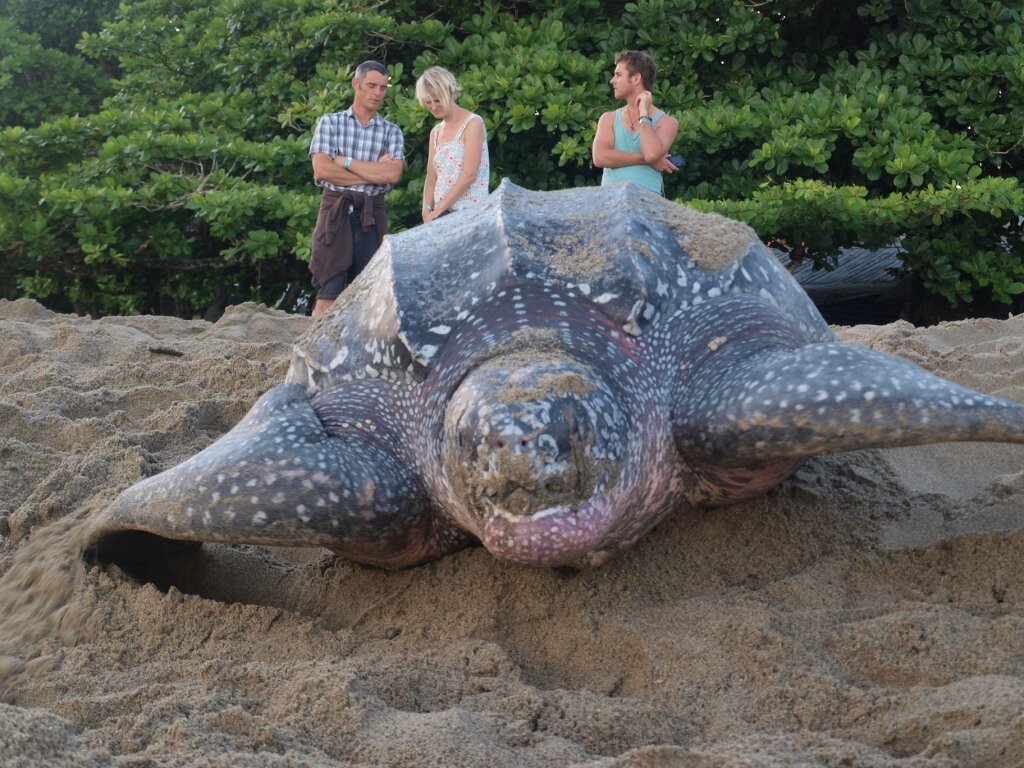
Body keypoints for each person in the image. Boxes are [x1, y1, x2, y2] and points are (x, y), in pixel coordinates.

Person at [308, 60, 405, 318]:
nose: (378, 93)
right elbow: (322, 170)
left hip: (372, 215)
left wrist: (345, 161)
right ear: (356, 84)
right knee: (328, 291)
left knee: (369, 295)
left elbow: (393, 174)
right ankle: (308, 352)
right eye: (372, 85)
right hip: (335, 212)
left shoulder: (392, 132)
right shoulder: (330, 123)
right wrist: (374, 173)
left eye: (383, 88)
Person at [592, 50, 679, 196]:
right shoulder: (608, 118)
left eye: (618, 75)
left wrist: (644, 115)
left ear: (636, 78)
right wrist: (645, 160)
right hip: (610, 205)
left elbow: (651, 154)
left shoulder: (667, 122)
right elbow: (600, 157)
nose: (612, 80)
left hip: (647, 207)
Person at [416, 66, 489, 222]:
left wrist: (439, 210)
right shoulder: (435, 132)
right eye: (428, 102)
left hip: (471, 214)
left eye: (437, 100)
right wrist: (426, 210)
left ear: (450, 93)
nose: (433, 107)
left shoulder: (473, 123)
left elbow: (469, 174)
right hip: (440, 216)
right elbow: (431, 177)